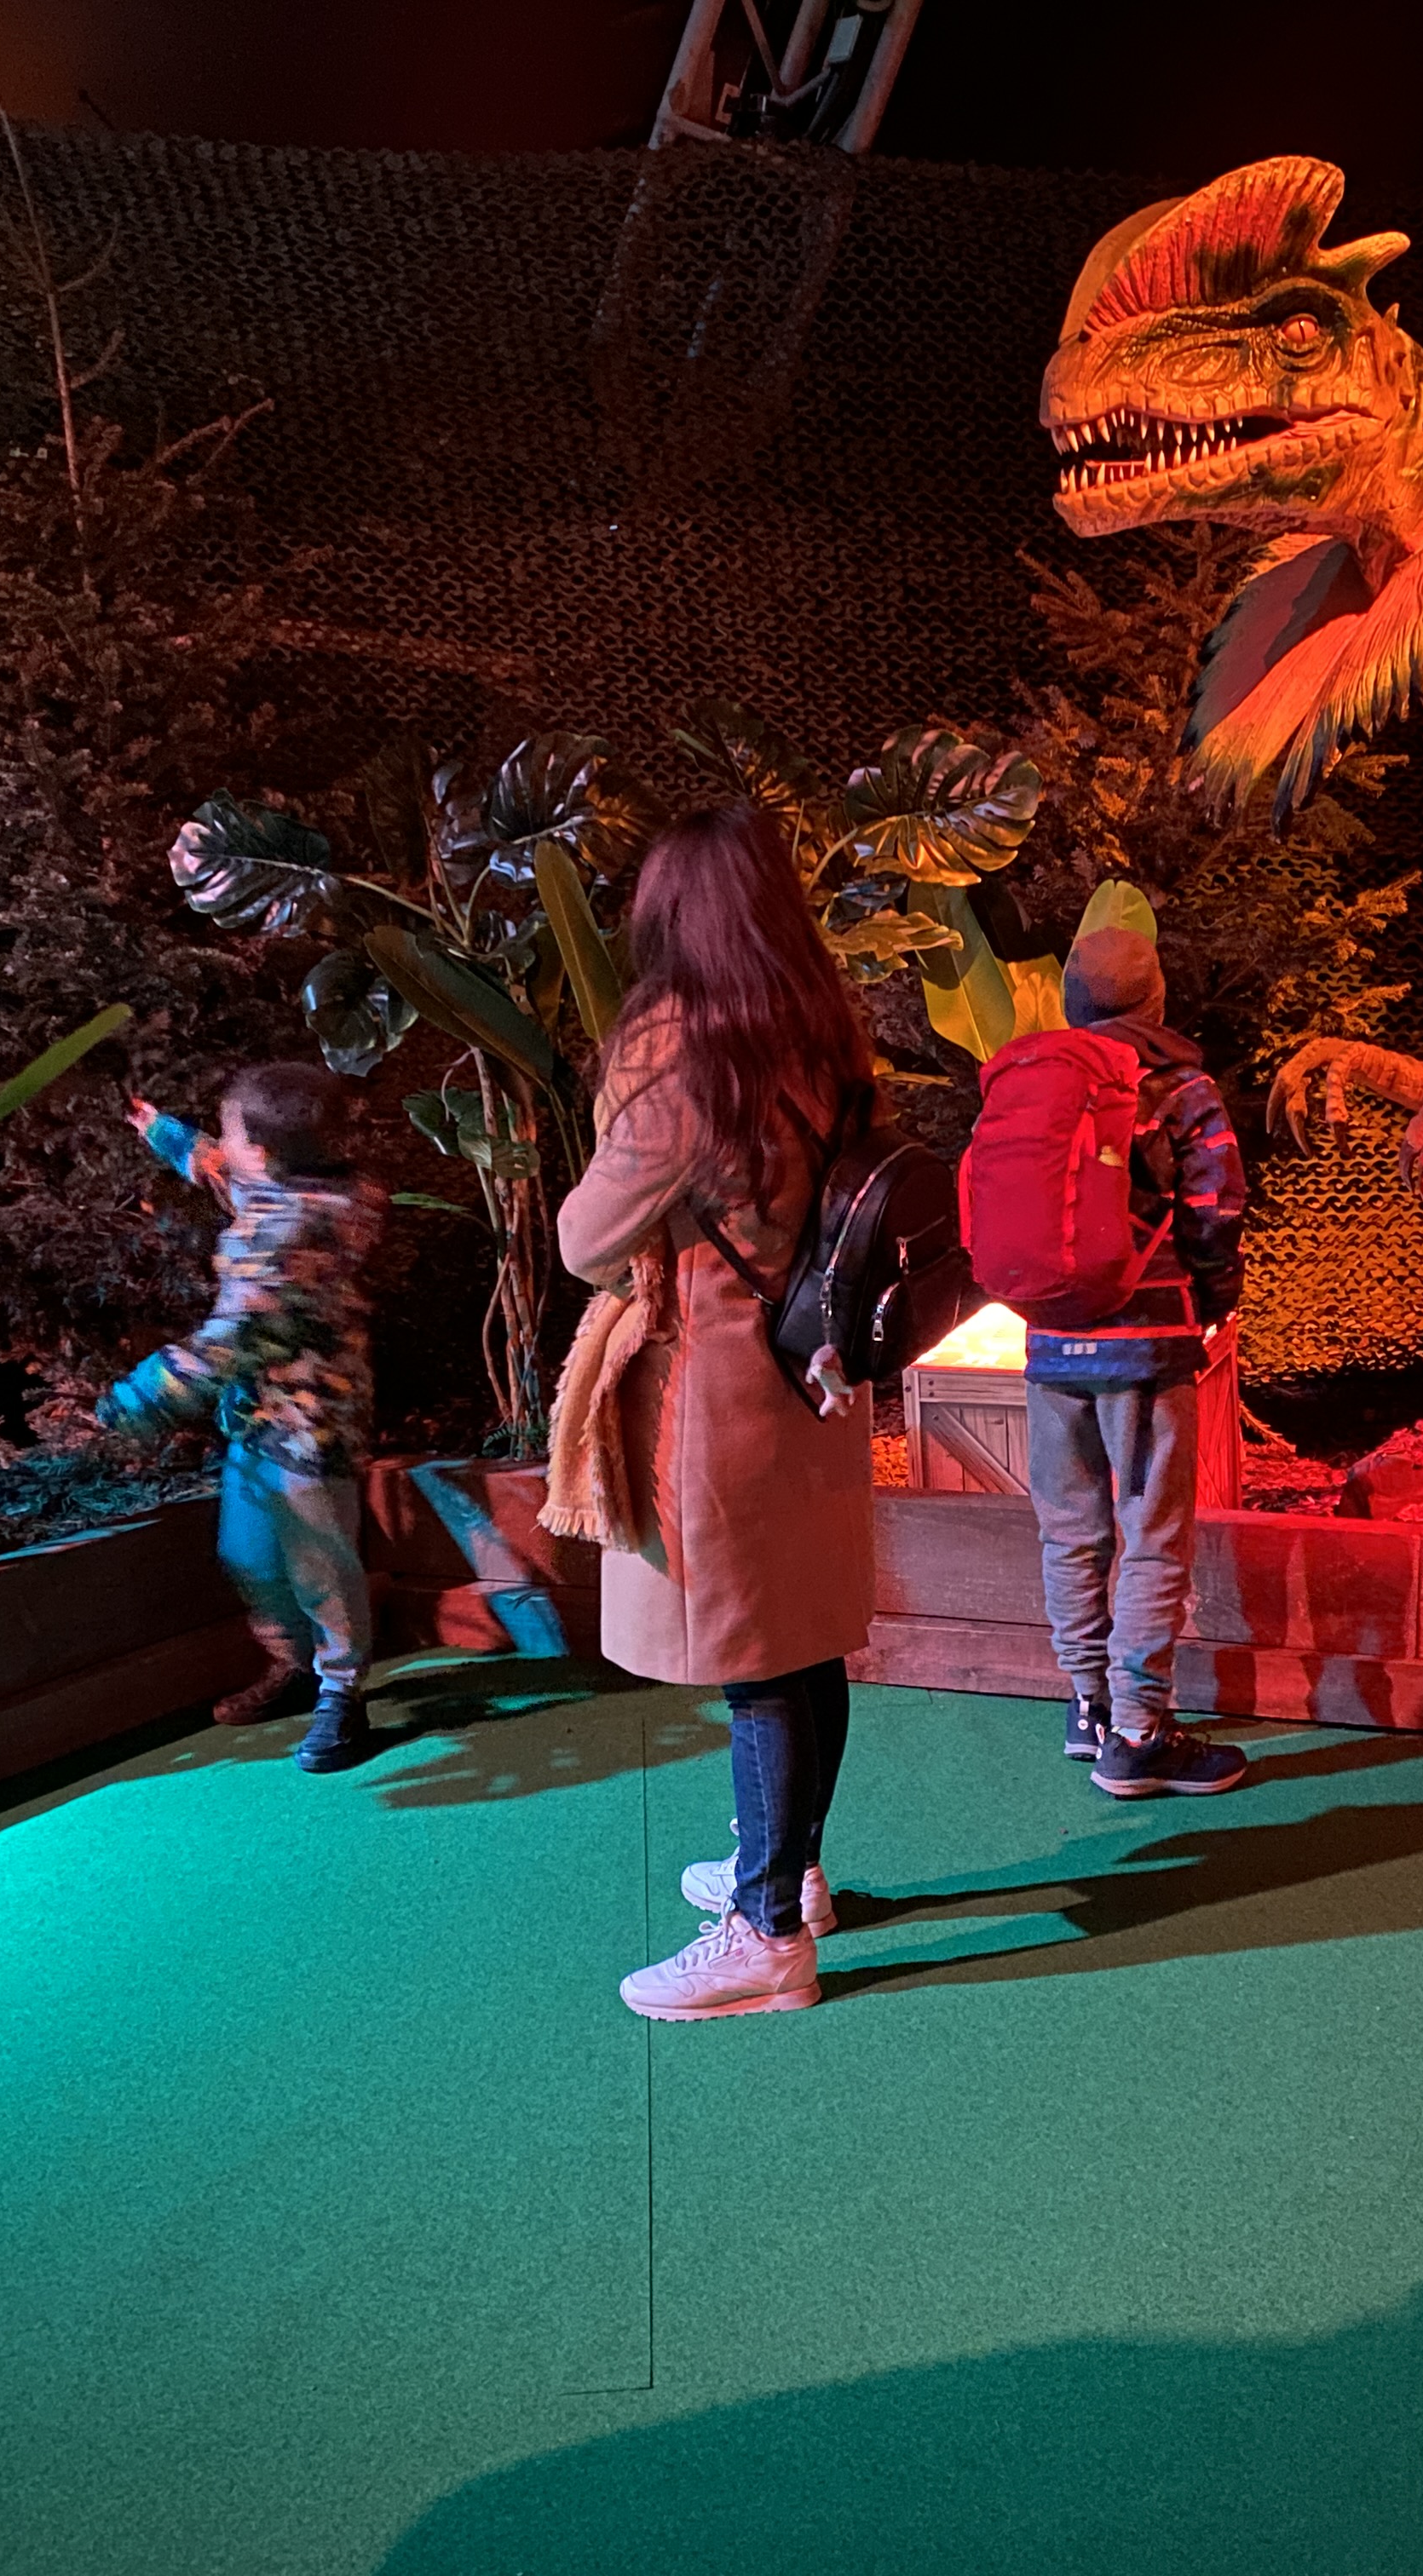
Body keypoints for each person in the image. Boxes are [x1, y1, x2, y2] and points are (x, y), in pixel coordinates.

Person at [554, 806, 877, 2019]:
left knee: (756, 1660)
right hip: (816, 1370)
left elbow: (590, 1239)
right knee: (804, 1638)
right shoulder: (817, 1028)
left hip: (721, 1392)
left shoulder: (681, 1051)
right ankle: (786, 1871)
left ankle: (764, 1932)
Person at [99, 1063, 390, 1774]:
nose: (222, 1144)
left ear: (263, 1151)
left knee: (321, 1563)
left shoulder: (290, 1237)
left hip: (310, 1424)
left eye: (230, 1130)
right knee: (248, 1553)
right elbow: (224, 1171)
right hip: (259, 1419)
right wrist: (162, 1130)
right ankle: (295, 1666)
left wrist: (142, 1396)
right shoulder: (288, 1184)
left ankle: (342, 1690)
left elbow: (229, 1342)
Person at [1017, 923, 1252, 1796]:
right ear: (1156, 1000)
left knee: (1070, 1533)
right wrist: (1214, 1300)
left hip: (1050, 1342)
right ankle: (1141, 1732)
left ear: (1071, 1004)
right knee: (1152, 1538)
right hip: (1146, 1346)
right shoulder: (1181, 1086)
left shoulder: (1037, 1080)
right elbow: (1215, 1204)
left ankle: (1087, 1705)